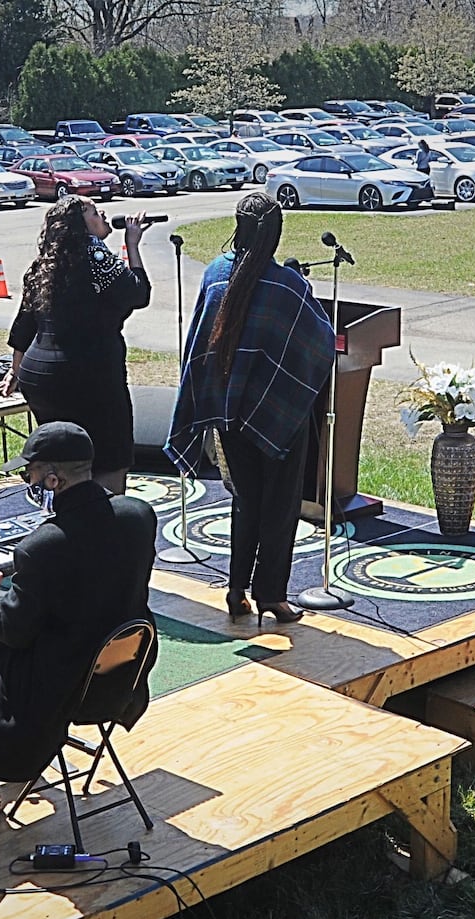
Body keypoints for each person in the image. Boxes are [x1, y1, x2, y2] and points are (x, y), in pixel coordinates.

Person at [0, 422, 157, 814]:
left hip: (58, 683)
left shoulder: (42, 547)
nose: (27, 481)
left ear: (53, 479)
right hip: (117, 675)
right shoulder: (139, 516)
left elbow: (14, 632)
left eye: (29, 473)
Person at [165, 191, 336, 625]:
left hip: (229, 411)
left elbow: (201, 343)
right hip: (278, 414)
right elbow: (321, 345)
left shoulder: (215, 273)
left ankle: (237, 588)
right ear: (275, 235)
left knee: (244, 499)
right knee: (279, 504)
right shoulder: (288, 285)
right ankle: (272, 596)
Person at [3, 197, 151, 495]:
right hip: (86, 375)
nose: (104, 214)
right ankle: (104, 522)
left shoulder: (44, 265)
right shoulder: (95, 254)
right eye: (96, 212)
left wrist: (15, 370)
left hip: (41, 376)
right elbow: (138, 293)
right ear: (82, 226)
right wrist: (132, 244)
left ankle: (59, 514)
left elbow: (24, 325)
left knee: (59, 455)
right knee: (110, 456)